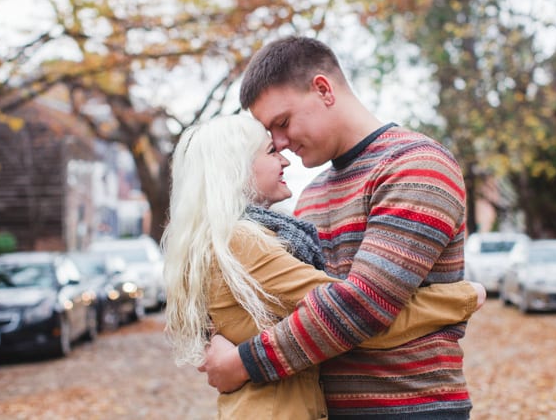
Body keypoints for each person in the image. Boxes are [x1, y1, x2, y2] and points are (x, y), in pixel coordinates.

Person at [201, 36, 474, 418]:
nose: (279, 144)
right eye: (270, 133)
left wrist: (243, 363)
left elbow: (364, 305)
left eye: (282, 123)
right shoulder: (311, 194)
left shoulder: (416, 166)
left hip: (409, 408)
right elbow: (297, 306)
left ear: (323, 90)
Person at [162, 113, 484, 419]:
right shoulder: (244, 242)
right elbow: (352, 315)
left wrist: (240, 362)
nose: (285, 158)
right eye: (271, 152)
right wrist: (460, 298)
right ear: (236, 167)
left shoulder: (222, 241)